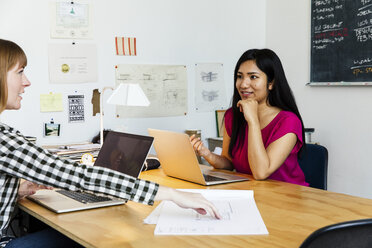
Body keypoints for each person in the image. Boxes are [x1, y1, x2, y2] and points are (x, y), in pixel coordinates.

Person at [0, 39, 220, 248]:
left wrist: (13, 189)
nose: (26, 81)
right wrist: (172, 194)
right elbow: (81, 176)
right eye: (20, 72)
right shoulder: (4, 140)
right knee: (100, 236)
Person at [191, 49, 308, 186]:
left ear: (271, 83)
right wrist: (207, 154)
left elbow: (261, 172)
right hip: (251, 192)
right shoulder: (232, 116)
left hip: (287, 198)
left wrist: (253, 121)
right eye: (240, 76)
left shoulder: (288, 121)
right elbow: (229, 163)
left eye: (253, 77)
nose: (243, 84)